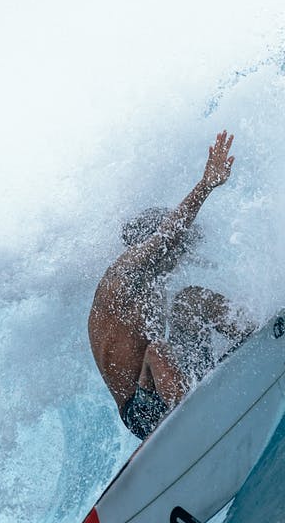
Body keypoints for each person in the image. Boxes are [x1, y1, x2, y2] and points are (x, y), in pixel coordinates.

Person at [88, 131, 255, 440]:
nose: (181, 260)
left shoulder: (148, 282)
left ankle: (260, 338)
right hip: (145, 412)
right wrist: (206, 184)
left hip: (170, 386)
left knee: (190, 300)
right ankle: (193, 429)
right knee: (158, 351)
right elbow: (169, 235)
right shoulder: (121, 277)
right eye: (178, 254)